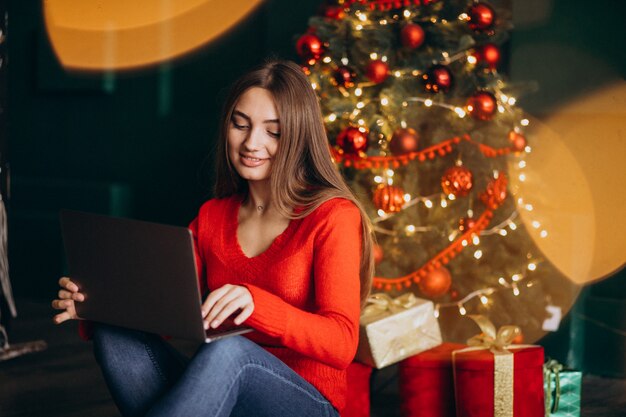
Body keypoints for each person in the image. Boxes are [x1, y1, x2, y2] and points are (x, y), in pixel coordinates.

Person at [51, 59, 374, 417]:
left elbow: (343, 343)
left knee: (229, 350)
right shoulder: (212, 217)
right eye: (240, 124)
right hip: (223, 391)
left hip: (306, 401)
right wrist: (98, 303)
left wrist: (257, 304)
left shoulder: (333, 216)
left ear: (298, 137)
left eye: (274, 131)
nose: (252, 142)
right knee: (114, 335)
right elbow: (168, 313)